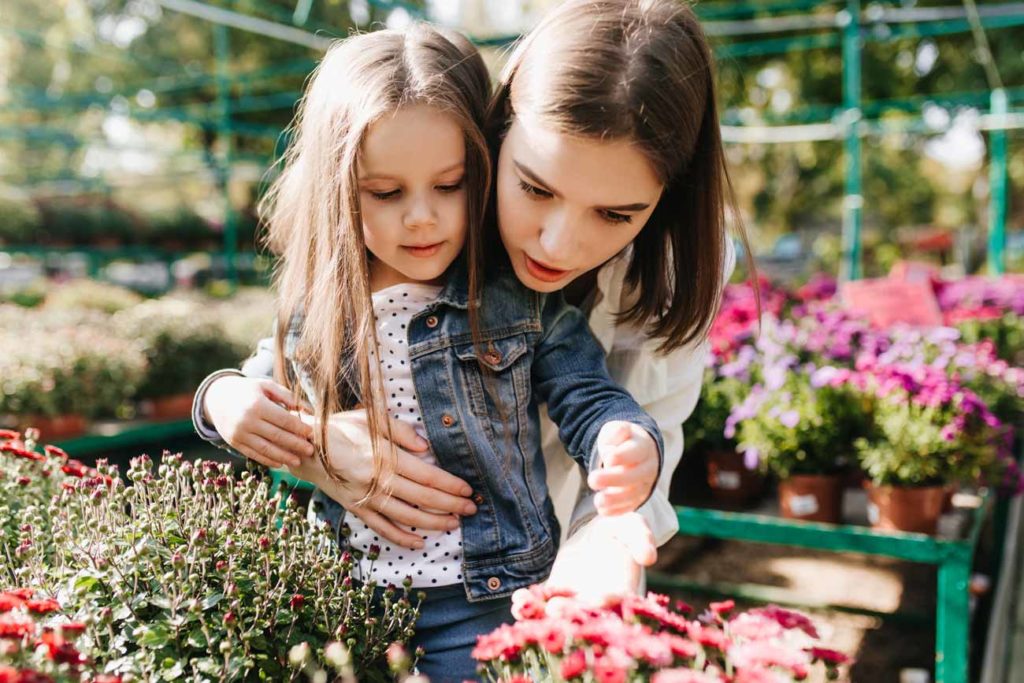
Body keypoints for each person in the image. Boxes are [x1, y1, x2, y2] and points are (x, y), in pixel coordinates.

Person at [197, 0, 742, 618]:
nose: (558, 246)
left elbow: (627, 424)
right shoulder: (390, 238)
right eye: (536, 188)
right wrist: (301, 441)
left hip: (523, 586)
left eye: (617, 214)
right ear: (492, 136)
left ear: (668, 199)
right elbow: (271, 380)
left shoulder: (652, 273)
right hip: (359, 592)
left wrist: (609, 523)